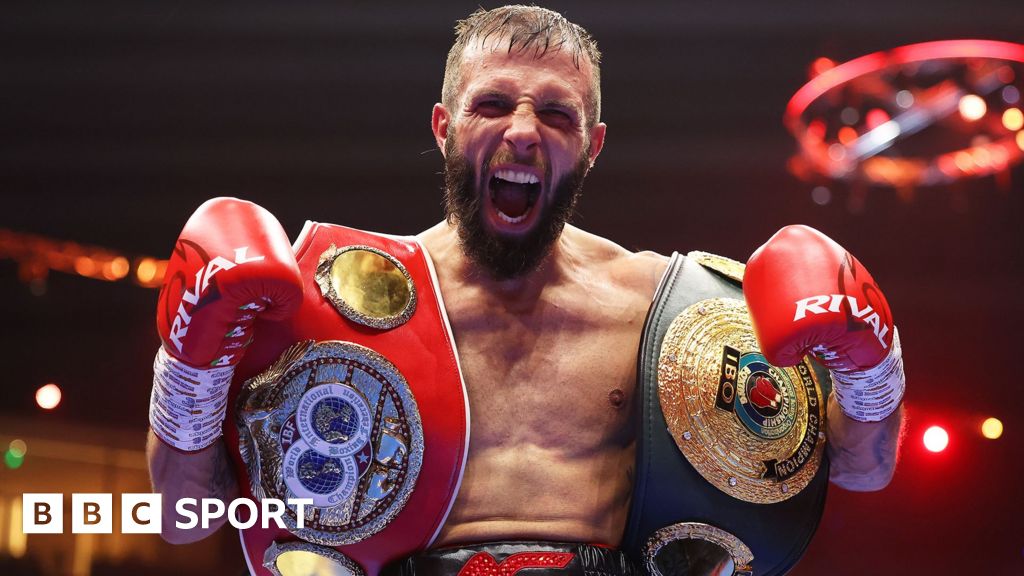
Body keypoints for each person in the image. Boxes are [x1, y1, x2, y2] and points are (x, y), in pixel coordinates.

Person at [147, 6, 905, 575]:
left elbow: (865, 469)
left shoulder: (664, 311)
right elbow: (185, 516)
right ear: (444, 127)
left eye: (554, 113)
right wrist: (190, 367)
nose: (521, 131)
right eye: (492, 104)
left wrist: (875, 369)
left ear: (592, 145)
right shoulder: (329, 307)